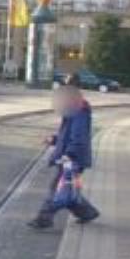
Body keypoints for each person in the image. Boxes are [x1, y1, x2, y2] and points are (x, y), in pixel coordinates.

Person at [28, 85, 99, 229]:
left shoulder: (80, 112)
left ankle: (44, 218)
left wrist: (69, 155)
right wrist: (54, 139)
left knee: (57, 188)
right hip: (71, 155)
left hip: (72, 157)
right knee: (66, 189)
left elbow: (79, 136)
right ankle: (87, 213)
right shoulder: (73, 111)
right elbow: (67, 135)